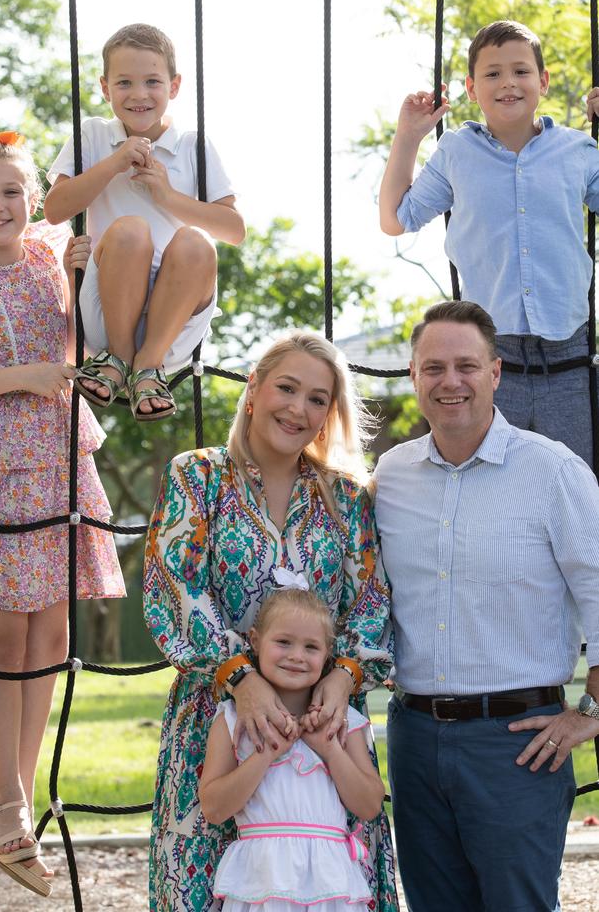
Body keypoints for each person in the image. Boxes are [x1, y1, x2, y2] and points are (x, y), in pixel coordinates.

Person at [143, 331, 398, 912]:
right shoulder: (197, 477)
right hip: (217, 722)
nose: (298, 408)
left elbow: (371, 604)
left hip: (324, 728)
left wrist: (342, 680)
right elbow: (172, 588)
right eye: (287, 387)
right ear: (253, 390)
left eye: (317, 398)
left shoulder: (346, 497)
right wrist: (242, 678)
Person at [373, 299, 599, 912]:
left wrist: (593, 711)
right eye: (433, 367)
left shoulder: (553, 471)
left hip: (518, 745)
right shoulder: (388, 478)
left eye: (466, 366)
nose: (451, 382)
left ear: (495, 372)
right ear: (414, 376)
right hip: (414, 738)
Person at [0, 128, 125, 897]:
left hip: (58, 455)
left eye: (11, 191)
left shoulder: (53, 252)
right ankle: (10, 796)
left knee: (53, 629)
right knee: (8, 630)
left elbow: (80, 212)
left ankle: (7, 800)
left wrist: (85, 270)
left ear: (29, 198)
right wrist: (31, 374)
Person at [378, 19, 599, 467]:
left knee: (578, 483)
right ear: (471, 88)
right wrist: (408, 136)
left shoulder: (577, 151)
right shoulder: (458, 152)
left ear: (544, 81)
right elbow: (396, 218)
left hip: (570, 354)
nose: (508, 83)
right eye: (492, 73)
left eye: (520, 71)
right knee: (494, 478)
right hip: (490, 357)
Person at [44, 22, 245, 422]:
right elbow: (55, 209)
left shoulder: (193, 145)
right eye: (124, 83)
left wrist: (168, 197)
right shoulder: (93, 135)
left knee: (196, 242)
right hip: (105, 315)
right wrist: (114, 164)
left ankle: (148, 367)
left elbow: (234, 231)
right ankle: (119, 358)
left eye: (152, 81)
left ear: (174, 86)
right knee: (133, 229)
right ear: (105, 88)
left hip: (174, 324)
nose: (138, 94)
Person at [199, 582, 384, 912]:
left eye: (311, 647)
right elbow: (214, 809)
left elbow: (369, 805)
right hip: (260, 883)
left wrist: (330, 750)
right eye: (283, 642)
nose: (297, 656)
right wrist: (267, 752)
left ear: (328, 653)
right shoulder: (230, 719)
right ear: (255, 642)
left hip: (331, 887)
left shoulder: (344, 720)